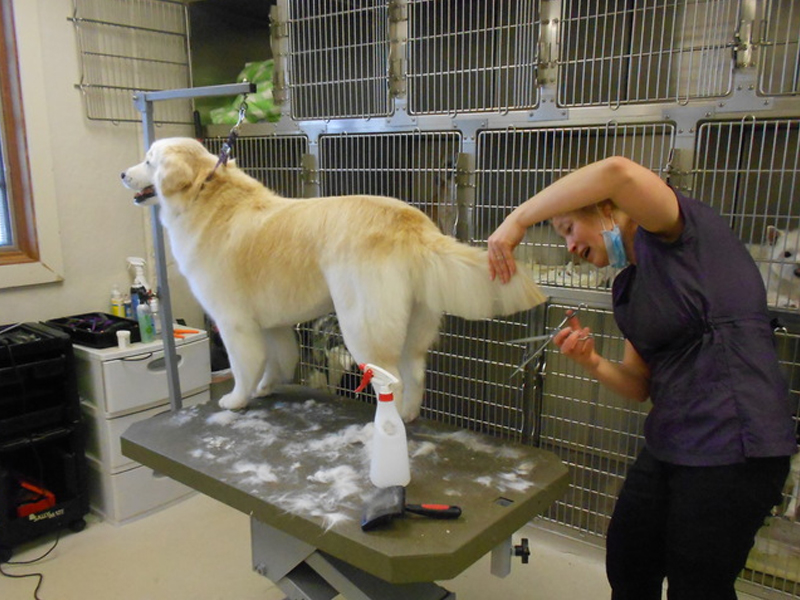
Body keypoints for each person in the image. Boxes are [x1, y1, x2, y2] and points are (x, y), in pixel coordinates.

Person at [487, 156, 797, 600]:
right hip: (673, 440)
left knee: (697, 583)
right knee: (629, 560)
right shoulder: (629, 286)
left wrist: (518, 220)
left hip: (736, 442)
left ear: (607, 209)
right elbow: (638, 384)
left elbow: (618, 171)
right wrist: (591, 361)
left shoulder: (678, 233)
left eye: (569, 230)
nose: (570, 247)